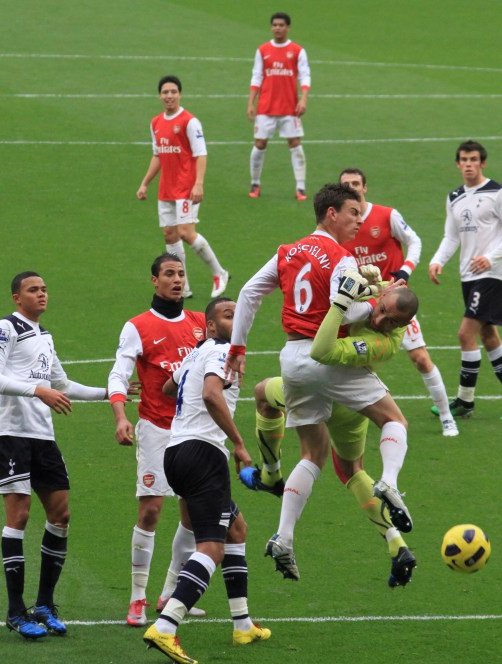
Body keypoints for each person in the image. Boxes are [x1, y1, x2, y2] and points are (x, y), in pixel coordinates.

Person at [228, 183, 417, 581]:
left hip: (292, 360)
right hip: (328, 360)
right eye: (353, 213)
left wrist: (238, 348)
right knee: (393, 420)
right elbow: (342, 313)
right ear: (332, 213)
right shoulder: (342, 258)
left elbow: (247, 293)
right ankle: (389, 483)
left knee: (312, 454)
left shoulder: (287, 251)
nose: (359, 221)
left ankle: (283, 536)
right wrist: (373, 297)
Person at [242, 278, 420, 589]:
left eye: (390, 321)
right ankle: (396, 542)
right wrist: (374, 281)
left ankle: (271, 479)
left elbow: (322, 349)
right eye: (382, 310)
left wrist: (354, 296)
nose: (379, 320)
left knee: (267, 400)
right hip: (355, 406)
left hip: (327, 381)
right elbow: (371, 286)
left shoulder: (380, 342)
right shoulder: (388, 298)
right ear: (388, 294)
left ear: (402, 326)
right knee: (351, 469)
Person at [143, 297, 271, 664]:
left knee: (236, 530)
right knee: (212, 547)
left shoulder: (197, 353)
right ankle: (166, 625)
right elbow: (212, 394)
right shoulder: (221, 350)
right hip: (203, 454)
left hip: (177, 452)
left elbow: (169, 388)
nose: (237, 319)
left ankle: (242, 624)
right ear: (211, 326)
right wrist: (239, 443)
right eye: (229, 315)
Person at [0, 271, 108, 640]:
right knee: (19, 515)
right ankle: (15, 611)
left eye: (44, 289)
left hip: (42, 435)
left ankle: (45, 605)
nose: (41, 294)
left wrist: (108, 393)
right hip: (10, 434)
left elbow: (61, 384)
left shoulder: (44, 336)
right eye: (33, 290)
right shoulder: (5, 328)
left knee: (61, 514)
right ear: (17, 298)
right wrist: (37, 390)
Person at [108, 253, 209, 627]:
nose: (177, 279)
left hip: (193, 430)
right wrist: (121, 416)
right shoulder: (138, 326)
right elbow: (118, 375)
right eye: (169, 273)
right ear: (155, 280)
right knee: (150, 511)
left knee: (193, 514)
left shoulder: (200, 324)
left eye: (181, 273)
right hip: (156, 429)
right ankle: (137, 598)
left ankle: (171, 592)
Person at [338, 167, 459, 437]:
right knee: (351, 360)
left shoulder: (386, 216)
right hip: (363, 305)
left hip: (394, 306)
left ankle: (447, 417)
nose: (352, 188)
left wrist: (404, 271)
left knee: (420, 358)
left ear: (365, 187)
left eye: (356, 183)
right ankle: (348, 418)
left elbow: (414, 241)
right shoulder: (342, 226)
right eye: (346, 184)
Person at [428, 141, 502, 420]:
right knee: (488, 335)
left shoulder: (498, 193)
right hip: (468, 275)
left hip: (491, 275)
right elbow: (451, 236)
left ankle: (465, 401)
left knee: (465, 334)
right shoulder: (454, 197)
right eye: (464, 159)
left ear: (482, 163)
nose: (469, 164)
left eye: (473, 159)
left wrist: (490, 258)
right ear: (458, 164)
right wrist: (437, 260)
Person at [137, 75, 230, 299]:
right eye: (165, 92)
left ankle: (219, 272)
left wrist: (198, 184)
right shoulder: (156, 123)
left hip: (186, 188)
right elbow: (158, 155)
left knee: (186, 232)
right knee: (170, 234)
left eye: (173, 92)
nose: (169, 96)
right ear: (160, 96)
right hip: (166, 189)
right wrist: (145, 183)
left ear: (179, 94)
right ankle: (182, 287)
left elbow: (201, 154)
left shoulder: (190, 122)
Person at [247, 11, 311, 200]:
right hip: (265, 107)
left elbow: (305, 76)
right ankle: (255, 183)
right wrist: (251, 102)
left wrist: (303, 99)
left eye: (281, 25)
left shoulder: (298, 51)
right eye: (275, 25)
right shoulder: (263, 50)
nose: (277, 28)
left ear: (288, 28)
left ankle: (300, 187)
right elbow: (256, 77)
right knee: (260, 144)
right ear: (271, 27)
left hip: (289, 108)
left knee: (295, 143)